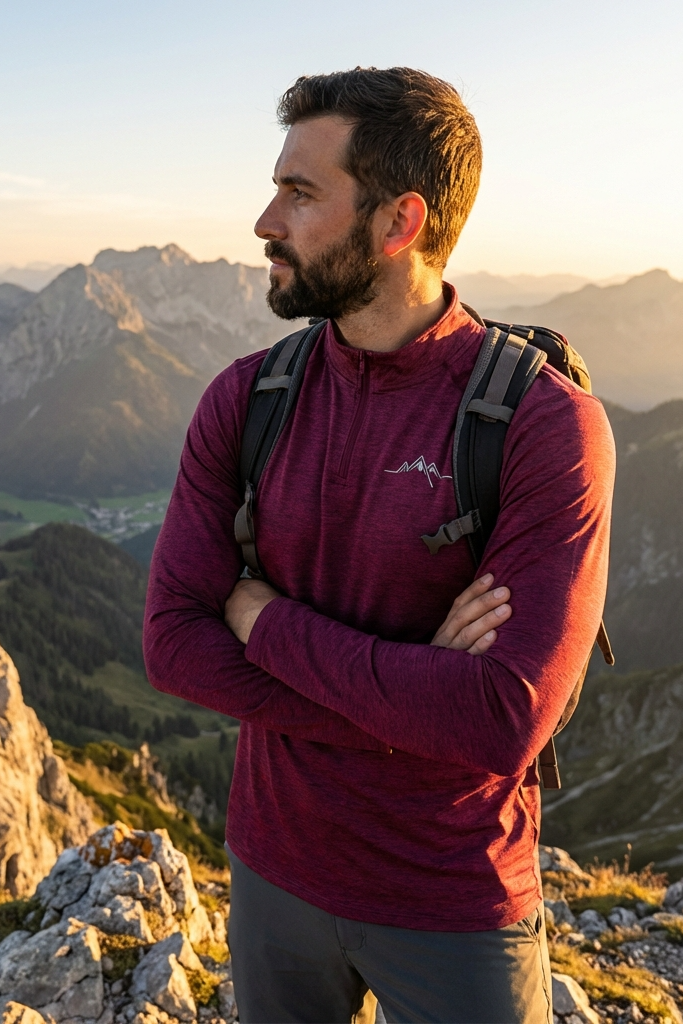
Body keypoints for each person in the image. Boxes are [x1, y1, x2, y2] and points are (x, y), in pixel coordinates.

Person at [143, 67, 615, 1023]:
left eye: (300, 192)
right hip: (273, 875)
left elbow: (500, 720)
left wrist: (264, 620)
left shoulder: (543, 423)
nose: (264, 220)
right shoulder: (247, 398)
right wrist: (416, 692)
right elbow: (171, 647)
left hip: (454, 905)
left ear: (399, 224)